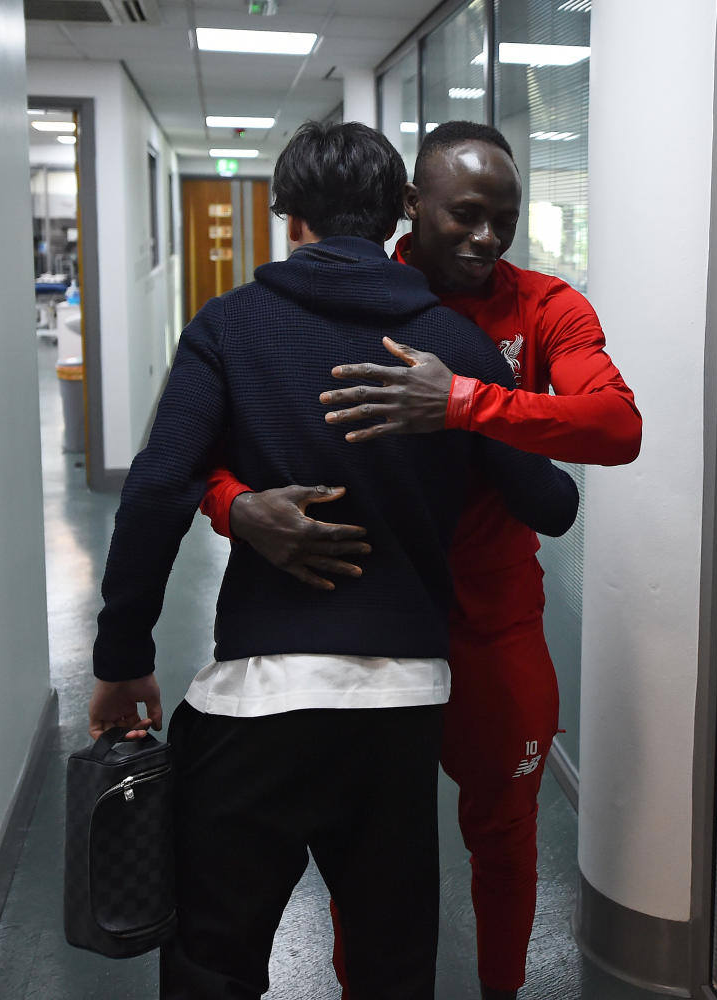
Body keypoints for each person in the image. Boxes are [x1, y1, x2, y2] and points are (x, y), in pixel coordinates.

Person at [87, 120, 580, 1000]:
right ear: (399, 209)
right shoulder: (450, 347)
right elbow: (552, 504)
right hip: (399, 712)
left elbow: (158, 489)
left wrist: (123, 659)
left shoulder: (228, 326)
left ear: (288, 218)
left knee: (213, 964)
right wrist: (468, 423)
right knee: (392, 971)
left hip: (255, 703)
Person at [199, 121, 642, 1000]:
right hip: (369, 622)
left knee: (505, 837)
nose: (486, 238)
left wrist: (469, 402)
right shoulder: (337, 294)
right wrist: (237, 509)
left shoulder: (544, 308)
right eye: (466, 215)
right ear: (411, 205)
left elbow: (616, 427)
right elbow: (206, 446)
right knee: (356, 858)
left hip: (491, 624)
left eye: (504, 218)